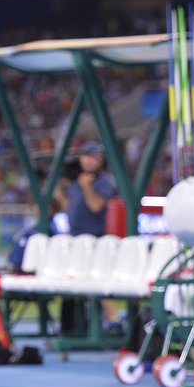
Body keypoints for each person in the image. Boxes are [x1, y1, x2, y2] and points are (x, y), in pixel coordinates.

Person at [61, 141, 116, 335]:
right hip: (75, 237)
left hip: (94, 238)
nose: (87, 160)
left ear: (100, 159)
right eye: (85, 156)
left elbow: (95, 206)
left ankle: (112, 321)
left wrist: (86, 187)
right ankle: (76, 326)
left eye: (92, 156)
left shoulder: (103, 181)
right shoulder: (78, 180)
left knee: (96, 283)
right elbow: (67, 206)